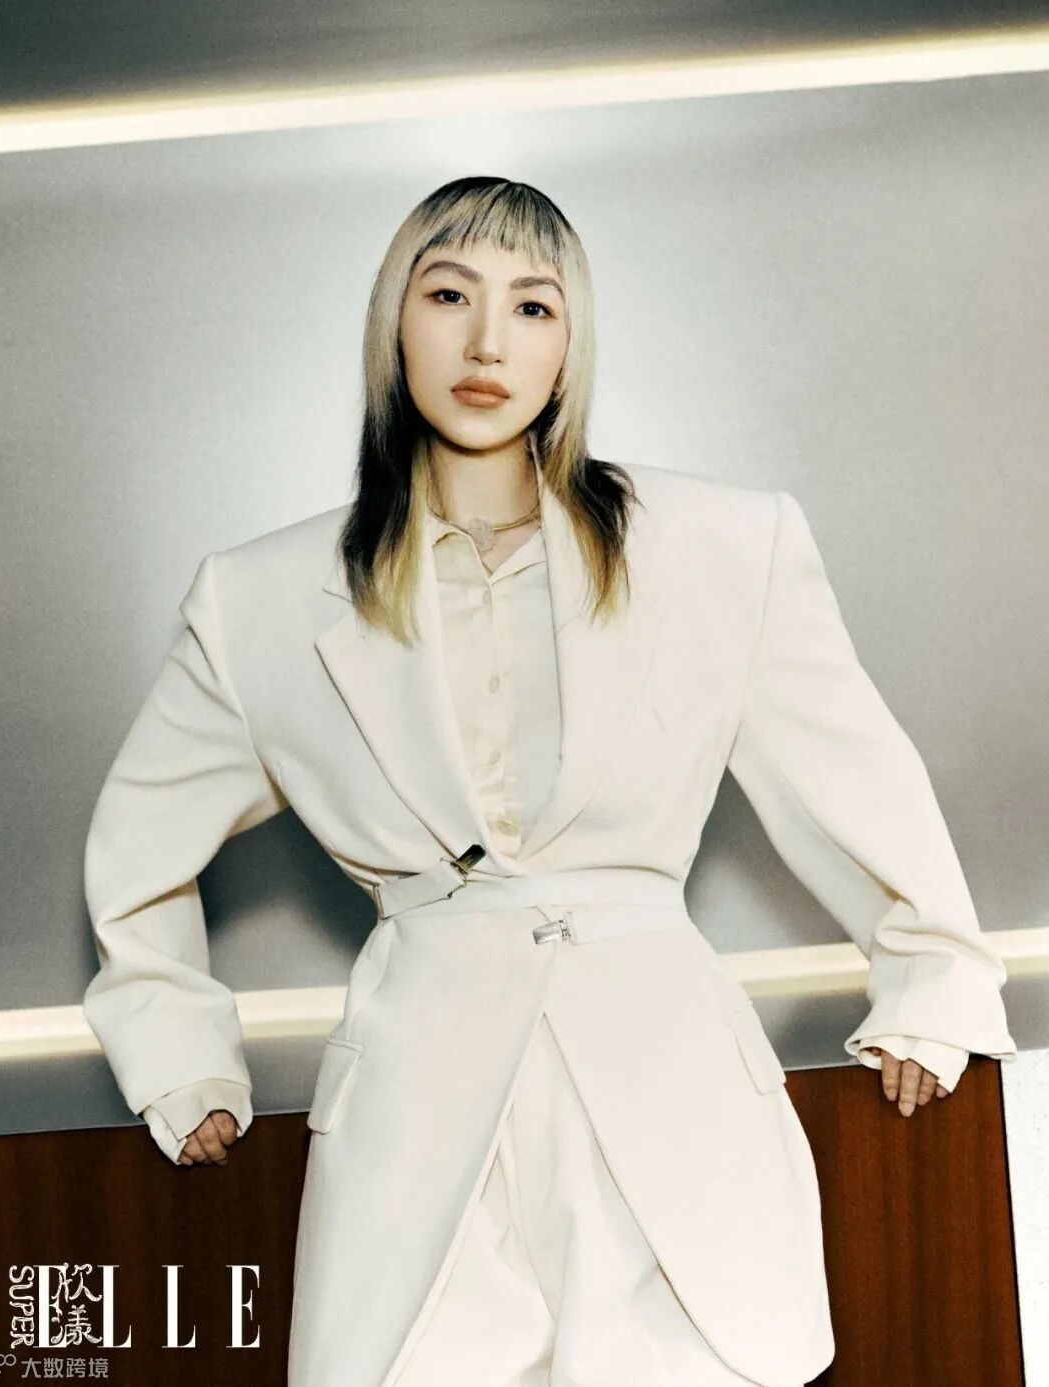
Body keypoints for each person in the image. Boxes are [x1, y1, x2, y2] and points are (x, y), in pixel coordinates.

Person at [82, 176, 1017, 1387]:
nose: (487, 343)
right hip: (416, 1142)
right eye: (448, 295)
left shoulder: (725, 545)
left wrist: (931, 973)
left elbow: (853, 769)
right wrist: (177, 1051)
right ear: (394, 321)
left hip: (676, 1114)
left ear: (571, 343)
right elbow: (139, 847)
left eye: (532, 306)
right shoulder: (255, 597)